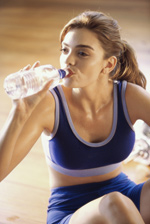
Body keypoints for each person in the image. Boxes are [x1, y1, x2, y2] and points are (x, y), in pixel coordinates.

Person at [0, 10, 150, 224]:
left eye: (82, 53)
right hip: (71, 212)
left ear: (108, 64)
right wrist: (18, 114)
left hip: (125, 195)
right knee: (114, 203)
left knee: (119, 201)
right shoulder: (49, 104)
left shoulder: (128, 96)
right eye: (65, 50)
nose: (67, 61)